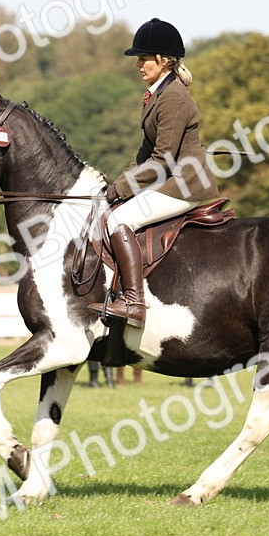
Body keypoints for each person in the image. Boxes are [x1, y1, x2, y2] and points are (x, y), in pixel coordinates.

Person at [89, 18, 220, 328]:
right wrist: (117, 183)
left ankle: (134, 303)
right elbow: (145, 155)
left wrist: (122, 188)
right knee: (116, 208)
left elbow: (161, 160)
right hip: (171, 180)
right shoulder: (156, 94)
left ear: (163, 60)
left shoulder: (173, 97)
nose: (138, 63)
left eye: (143, 57)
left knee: (120, 219)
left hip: (186, 186)